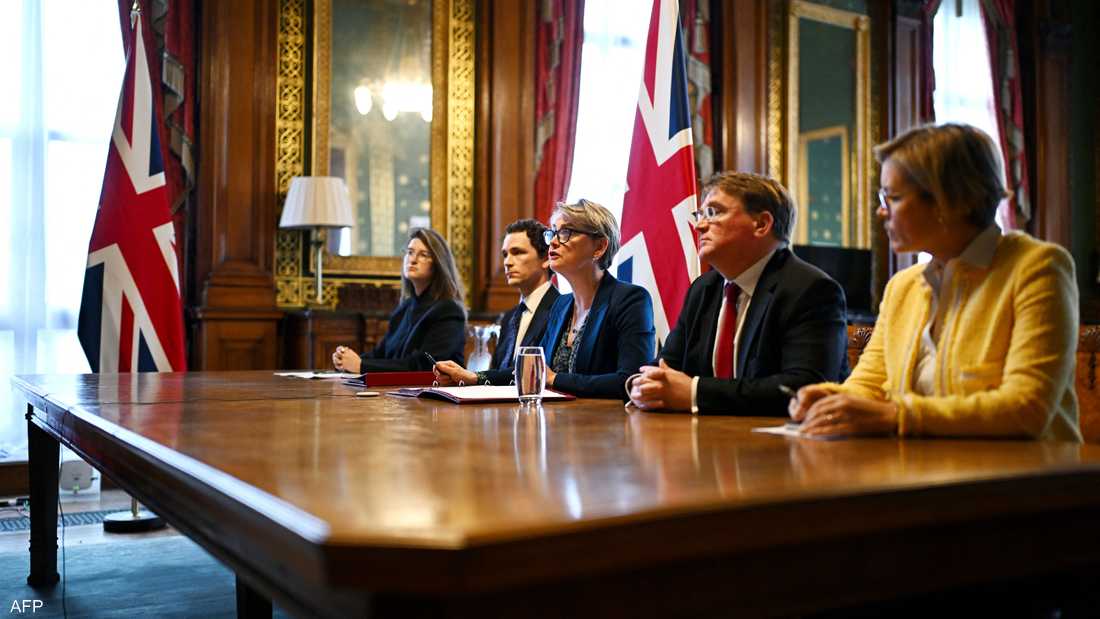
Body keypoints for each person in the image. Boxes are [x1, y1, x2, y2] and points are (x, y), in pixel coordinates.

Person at [789, 123, 1081, 441]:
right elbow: (870, 385)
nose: (881, 212)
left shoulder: (1037, 267)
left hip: (1027, 470)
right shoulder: (903, 286)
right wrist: (830, 398)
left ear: (950, 200)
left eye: (892, 197)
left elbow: (1027, 408)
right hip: (923, 466)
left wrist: (897, 415)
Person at [628, 172, 849, 416]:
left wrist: (695, 392)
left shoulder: (811, 289)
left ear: (761, 224)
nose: (699, 226)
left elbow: (803, 389)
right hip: (703, 434)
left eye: (713, 212)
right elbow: (666, 365)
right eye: (700, 215)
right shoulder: (703, 289)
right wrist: (642, 384)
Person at [435, 199, 655, 398]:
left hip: (604, 425)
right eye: (553, 233)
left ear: (599, 247)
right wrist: (474, 377)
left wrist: (554, 379)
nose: (553, 242)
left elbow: (631, 380)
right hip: (555, 423)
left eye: (566, 232)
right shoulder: (561, 305)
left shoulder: (630, 300)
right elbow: (531, 369)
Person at [434, 219, 559, 384]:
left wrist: (474, 377)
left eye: (518, 252)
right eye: (505, 254)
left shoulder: (560, 309)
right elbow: (499, 372)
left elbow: (535, 370)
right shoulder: (509, 317)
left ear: (545, 259)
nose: (507, 262)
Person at [332, 227, 467, 373]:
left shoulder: (448, 311)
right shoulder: (405, 308)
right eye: (410, 252)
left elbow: (423, 366)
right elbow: (381, 355)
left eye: (423, 255)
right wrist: (346, 361)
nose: (413, 260)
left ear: (438, 264)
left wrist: (361, 366)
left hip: (431, 388)